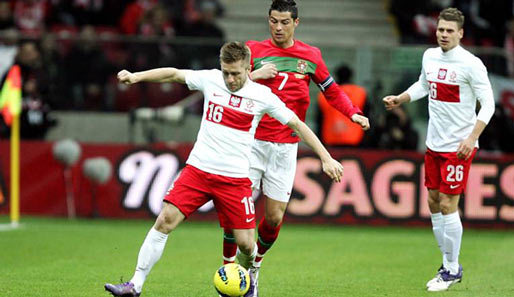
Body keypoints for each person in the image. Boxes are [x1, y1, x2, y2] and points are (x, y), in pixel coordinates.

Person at [104, 41, 344, 297]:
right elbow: (173, 73)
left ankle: (248, 279)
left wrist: (326, 157)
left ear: (247, 67)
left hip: (234, 180)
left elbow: (297, 124)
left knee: (246, 244)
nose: (230, 79)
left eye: (236, 74)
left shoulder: (262, 96)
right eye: (226, 72)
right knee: (165, 220)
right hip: (198, 171)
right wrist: (136, 76)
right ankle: (134, 284)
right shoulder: (211, 80)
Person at [221, 1, 370, 294]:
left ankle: (254, 265)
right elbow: (228, 86)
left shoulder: (310, 56)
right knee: (235, 213)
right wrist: (252, 77)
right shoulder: (253, 50)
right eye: (273, 21)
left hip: (286, 147)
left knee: (274, 218)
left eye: (284, 22)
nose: (278, 28)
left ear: (296, 23)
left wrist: (351, 112)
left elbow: (332, 91)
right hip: (250, 142)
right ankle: (228, 269)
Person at [382, 8, 495, 292]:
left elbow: (489, 105)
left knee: (447, 203)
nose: (443, 34)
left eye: (449, 30)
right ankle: (447, 263)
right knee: (433, 201)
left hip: (459, 146)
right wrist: (402, 98)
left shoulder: (472, 64)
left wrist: (471, 139)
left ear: (460, 33)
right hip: (434, 142)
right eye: (440, 29)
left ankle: (452, 268)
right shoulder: (429, 56)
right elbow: (423, 85)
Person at [317, 64, 368, 147]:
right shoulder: (360, 92)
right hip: (355, 140)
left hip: (330, 139)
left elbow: (319, 119)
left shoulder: (324, 95)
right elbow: (367, 115)